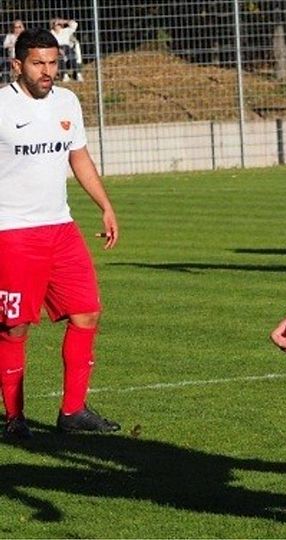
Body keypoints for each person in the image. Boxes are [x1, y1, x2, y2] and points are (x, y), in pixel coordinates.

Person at [0, 28, 121, 440]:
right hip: (12, 232)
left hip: (61, 228)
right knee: (14, 327)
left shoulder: (67, 101)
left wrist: (104, 205)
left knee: (87, 312)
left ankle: (72, 411)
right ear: (17, 65)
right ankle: (15, 419)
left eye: (53, 62)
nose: (48, 71)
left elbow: (79, 156)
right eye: (38, 63)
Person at [50, 18, 82, 82]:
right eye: (56, 24)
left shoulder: (66, 31)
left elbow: (75, 24)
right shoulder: (51, 33)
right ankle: (65, 74)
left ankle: (77, 73)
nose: (58, 26)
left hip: (67, 48)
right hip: (58, 49)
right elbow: (51, 44)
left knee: (71, 53)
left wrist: (64, 21)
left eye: (59, 24)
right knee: (61, 54)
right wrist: (58, 49)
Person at [2, 19, 25, 84]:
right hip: (12, 57)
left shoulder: (25, 35)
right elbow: (5, 45)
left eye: (19, 27)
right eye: (16, 27)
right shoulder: (10, 36)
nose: (17, 29)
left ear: (23, 27)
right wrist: (13, 43)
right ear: (13, 28)